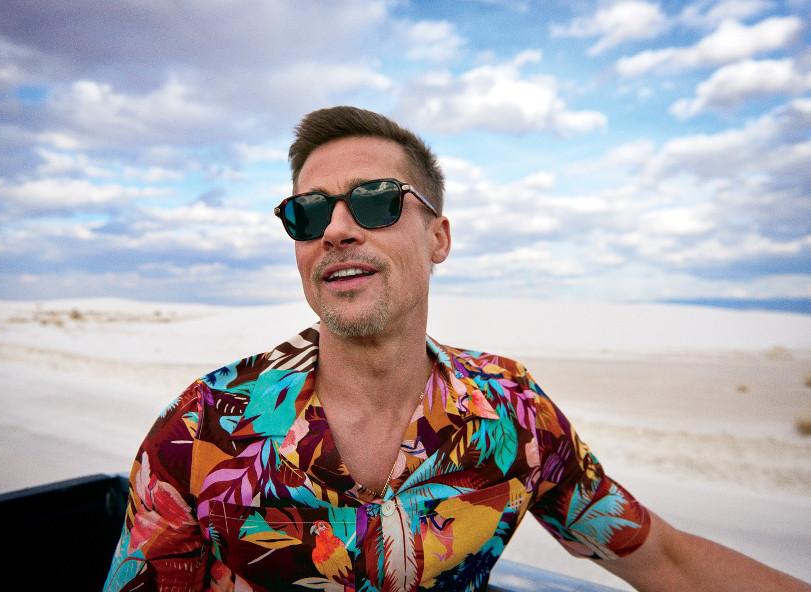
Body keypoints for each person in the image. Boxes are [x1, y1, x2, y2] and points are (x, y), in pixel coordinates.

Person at [104, 106, 810, 592]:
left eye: (376, 201)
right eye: (308, 213)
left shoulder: (512, 412)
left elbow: (660, 558)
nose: (336, 230)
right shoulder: (205, 426)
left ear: (438, 238)